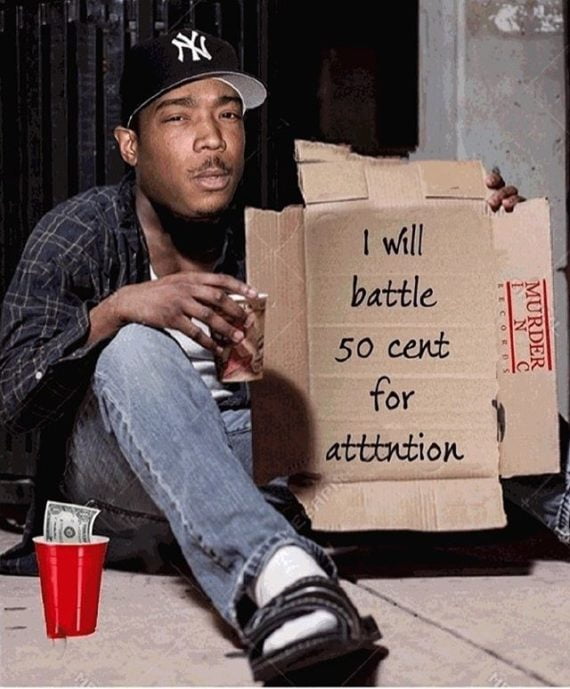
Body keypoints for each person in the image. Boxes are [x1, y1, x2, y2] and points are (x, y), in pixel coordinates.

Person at [0, 27, 562, 682]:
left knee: (444, 389)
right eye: (178, 118)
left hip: (239, 464)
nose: (211, 139)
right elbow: (13, 398)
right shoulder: (81, 233)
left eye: (228, 115)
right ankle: (282, 580)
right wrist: (117, 309)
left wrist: (469, 227)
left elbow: (386, 322)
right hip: (111, 488)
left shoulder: (268, 231)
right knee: (135, 349)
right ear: (131, 144)